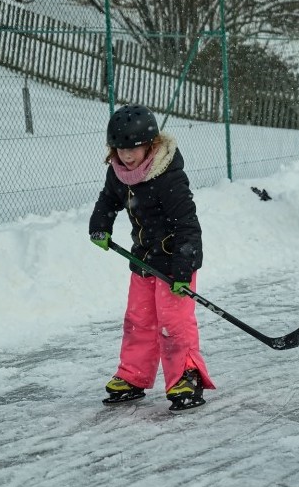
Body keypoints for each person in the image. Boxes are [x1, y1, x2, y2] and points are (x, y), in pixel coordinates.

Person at [88, 105, 215, 411]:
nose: (127, 155)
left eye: (133, 148)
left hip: (175, 263)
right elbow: (108, 199)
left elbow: (188, 225)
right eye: (120, 148)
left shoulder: (167, 176)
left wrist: (184, 270)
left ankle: (185, 377)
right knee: (138, 321)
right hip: (143, 260)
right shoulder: (119, 172)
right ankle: (133, 376)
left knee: (173, 323)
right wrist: (99, 224)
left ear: (151, 145)